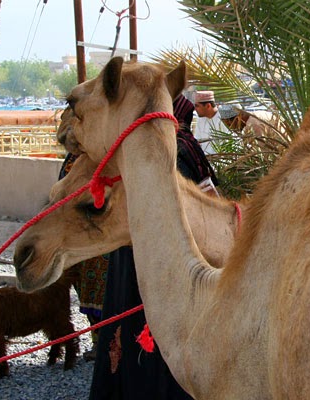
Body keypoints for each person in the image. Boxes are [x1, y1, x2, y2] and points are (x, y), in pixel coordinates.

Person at [89, 94, 216, 400]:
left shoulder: (146, 150)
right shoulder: (186, 149)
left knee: (135, 333)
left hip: (139, 255)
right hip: (164, 256)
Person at [58, 153, 108, 362]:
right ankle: (98, 342)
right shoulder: (73, 159)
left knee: (108, 292)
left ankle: (110, 344)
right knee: (85, 289)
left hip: (105, 238)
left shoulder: (105, 155)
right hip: (79, 238)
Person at [193, 90, 231, 155]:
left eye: (197, 106)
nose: (195, 109)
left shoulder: (224, 119)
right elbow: (197, 141)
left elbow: (227, 147)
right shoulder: (200, 119)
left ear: (208, 106)